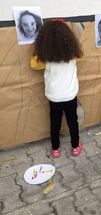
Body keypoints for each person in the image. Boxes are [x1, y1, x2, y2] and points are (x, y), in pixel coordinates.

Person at [30, 19, 83, 158]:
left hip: (54, 97)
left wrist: (39, 50)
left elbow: (33, 64)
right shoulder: (73, 56)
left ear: (45, 40)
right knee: (73, 122)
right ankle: (76, 147)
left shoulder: (46, 60)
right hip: (70, 96)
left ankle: (55, 149)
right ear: (69, 39)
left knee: (55, 123)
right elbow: (81, 55)